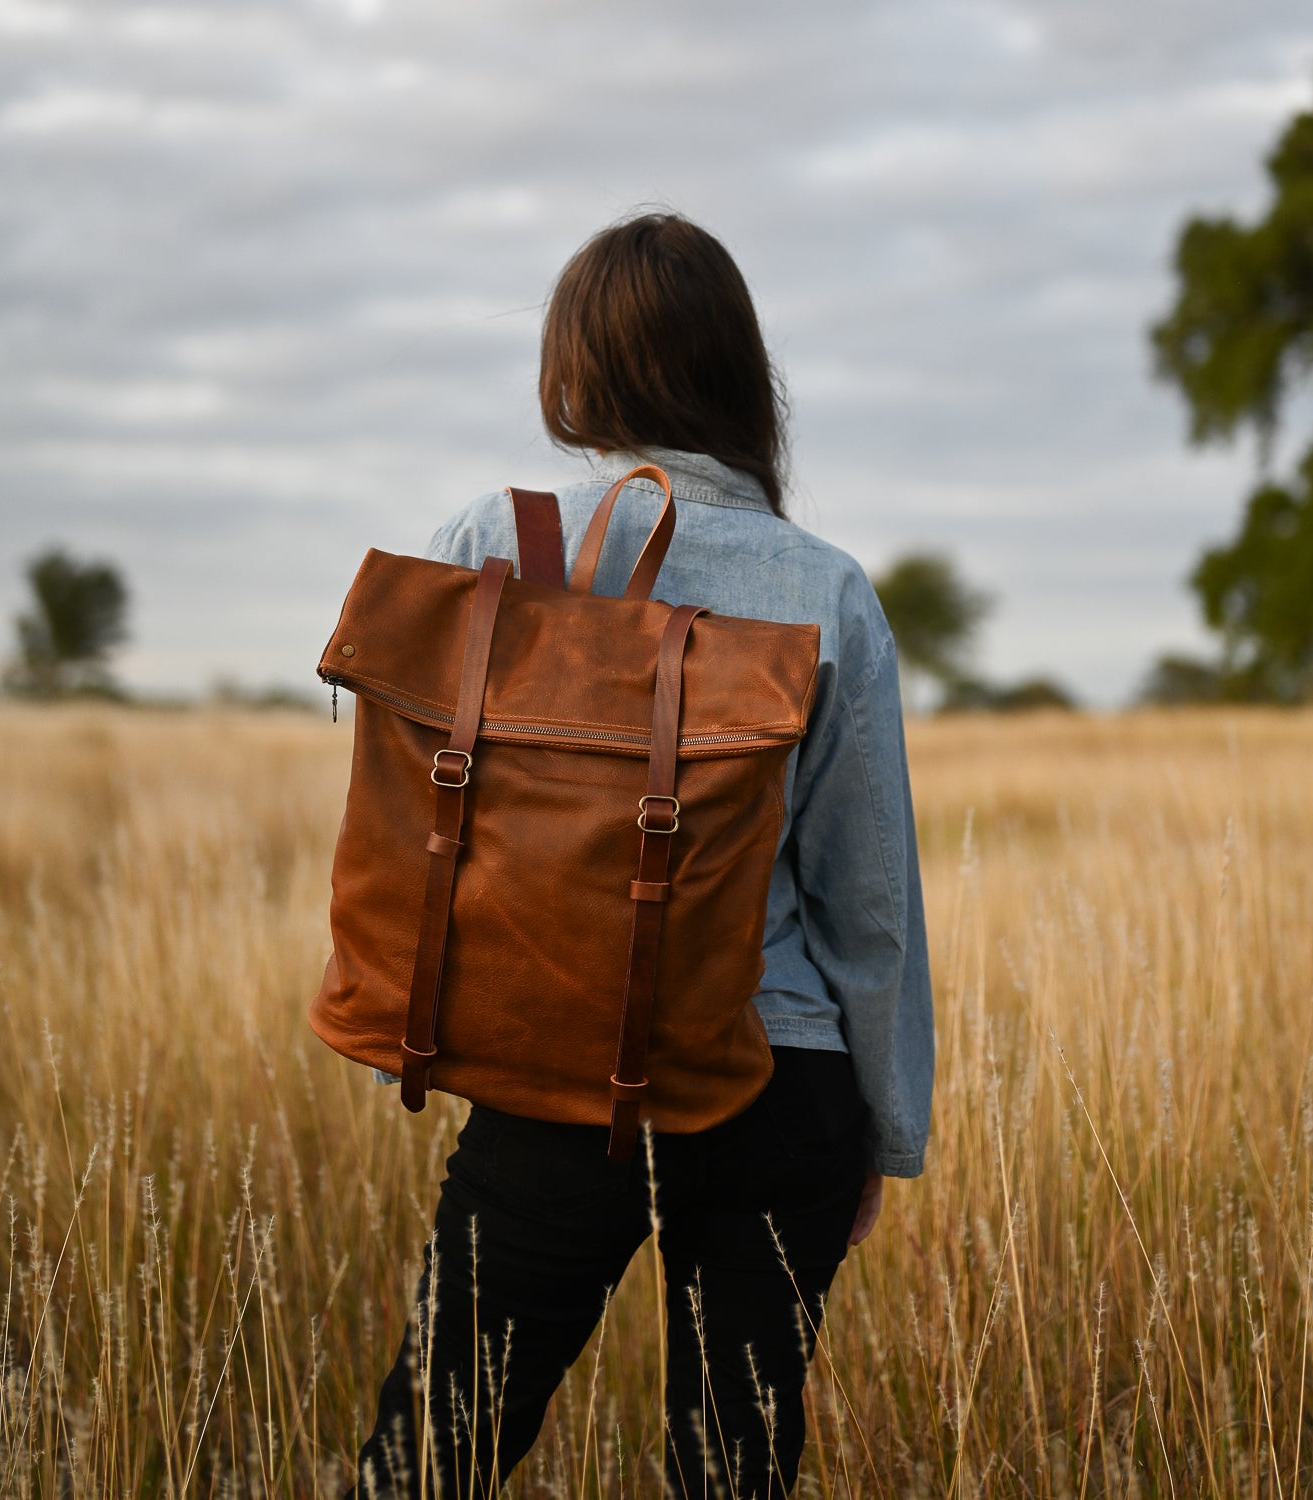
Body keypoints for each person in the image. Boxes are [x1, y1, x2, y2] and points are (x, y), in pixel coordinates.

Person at [349, 212, 933, 1499]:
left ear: (572, 372)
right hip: (783, 1081)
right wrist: (884, 1135)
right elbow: (867, 903)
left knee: (431, 1452)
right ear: (740, 374)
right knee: (735, 1469)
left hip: (554, 1065)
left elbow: (411, 800)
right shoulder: (826, 587)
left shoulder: (487, 545)